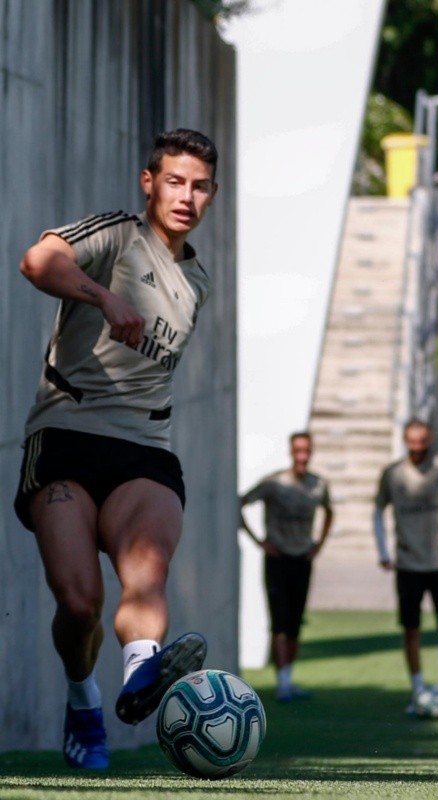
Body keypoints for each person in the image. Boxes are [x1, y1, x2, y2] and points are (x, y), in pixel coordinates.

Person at [14, 129, 219, 769]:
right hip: (66, 438)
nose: (188, 196)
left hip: (144, 449)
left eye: (202, 185)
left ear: (213, 194)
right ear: (149, 182)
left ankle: (141, 669)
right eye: (176, 181)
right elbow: (36, 262)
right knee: (79, 603)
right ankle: (83, 697)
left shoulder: (198, 283)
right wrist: (104, 296)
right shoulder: (116, 235)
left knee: (147, 566)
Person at [373, 419, 438, 716]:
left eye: (422, 441)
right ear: (405, 441)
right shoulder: (392, 474)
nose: (417, 447)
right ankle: (417, 691)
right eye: (412, 442)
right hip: (408, 564)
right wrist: (382, 550)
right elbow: (378, 511)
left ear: (430, 439)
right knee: (411, 631)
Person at [239, 432, 333, 701]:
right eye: (298, 450)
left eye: (307, 450)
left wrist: (319, 544)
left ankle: (289, 679)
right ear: (291, 452)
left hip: (302, 557)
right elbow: (240, 502)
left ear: (311, 452)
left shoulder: (318, 485)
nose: (302, 456)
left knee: (295, 620)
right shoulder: (275, 483)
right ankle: (282, 684)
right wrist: (260, 541)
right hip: (278, 558)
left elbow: (329, 512)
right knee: (279, 620)